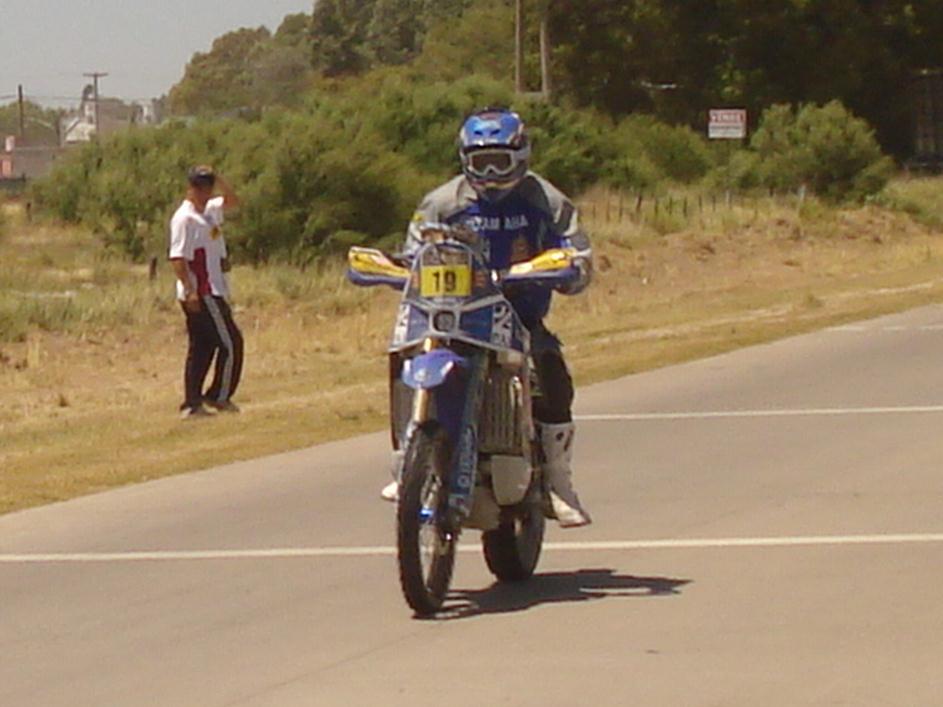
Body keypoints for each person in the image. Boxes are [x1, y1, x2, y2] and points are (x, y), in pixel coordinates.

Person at [384, 107, 593, 528]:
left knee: (550, 370)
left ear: (521, 155)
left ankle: (556, 480)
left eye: (500, 160)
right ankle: (407, 458)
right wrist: (395, 269)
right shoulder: (441, 203)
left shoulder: (546, 200)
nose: (492, 172)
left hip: (517, 314)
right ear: (465, 159)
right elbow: (413, 253)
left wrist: (567, 268)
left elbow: (579, 254)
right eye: (482, 162)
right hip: (450, 316)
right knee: (402, 358)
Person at [168, 165, 244, 419]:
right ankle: (218, 396)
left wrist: (219, 177)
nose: (205, 191)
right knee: (231, 343)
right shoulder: (185, 218)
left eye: (208, 186)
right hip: (202, 291)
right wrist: (190, 291)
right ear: (191, 187)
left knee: (203, 347)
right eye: (200, 186)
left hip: (216, 287)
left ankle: (192, 403)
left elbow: (233, 201)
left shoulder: (209, 211)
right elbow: (178, 258)